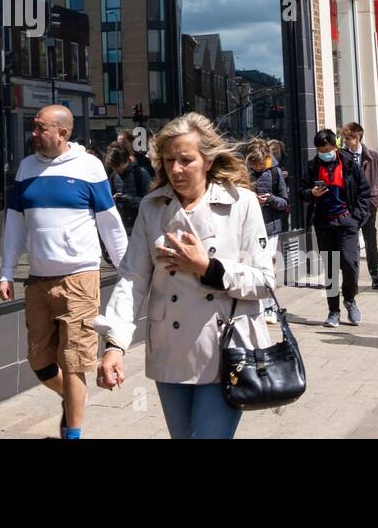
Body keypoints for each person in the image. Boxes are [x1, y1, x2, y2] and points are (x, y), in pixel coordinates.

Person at [95, 113, 273, 439]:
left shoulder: (241, 203)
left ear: (207, 160)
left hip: (225, 351)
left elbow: (264, 281)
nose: (176, 169)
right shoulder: (152, 208)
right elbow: (133, 279)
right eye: (168, 160)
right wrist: (115, 344)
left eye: (186, 160)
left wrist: (208, 268)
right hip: (171, 350)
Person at [0, 105, 127, 440]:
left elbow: (110, 226)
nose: (34, 134)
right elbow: (14, 223)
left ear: (63, 133)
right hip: (38, 280)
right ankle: (72, 397)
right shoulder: (26, 168)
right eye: (34, 127)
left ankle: (73, 433)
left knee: (74, 362)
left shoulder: (89, 167)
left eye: (40, 128)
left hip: (80, 279)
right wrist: (6, 272)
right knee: (39, 362)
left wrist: (128, 271)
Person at [300, 128, 370, 327]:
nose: (324, 153)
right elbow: (301, 192)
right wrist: (311, 193)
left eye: (328, 149)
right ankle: (333, 311)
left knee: (350, 264)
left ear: (335, 146)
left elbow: (364, 192)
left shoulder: (349, 164)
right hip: (324, 222)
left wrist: (356, 217)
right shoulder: (313, 166)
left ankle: (350, 299)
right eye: (320, 150)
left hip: (347, 221)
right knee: (330, 268)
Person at [340, 122, 378, 291]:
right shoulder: (341, 157)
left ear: (357, 138)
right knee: (351, 245)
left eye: (348, 138)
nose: (345, 142)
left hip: (369, 207)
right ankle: (352, 279)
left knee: (370, 242)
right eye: (344, 138)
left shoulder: (374, 157)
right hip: (349, 208)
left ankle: (375, 275)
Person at [245, 141, 287, 323]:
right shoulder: (244, 173)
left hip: (270, 226)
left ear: (266, 159)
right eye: (254, 164)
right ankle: (255, 305)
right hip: (249, 226)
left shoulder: (276, 173)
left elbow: (285, 202)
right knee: (251, 265)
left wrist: (270, 200)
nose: (257, 167)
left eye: (259, 164)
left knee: (268, 265)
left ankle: (270, 305)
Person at [105, 141, 151, 232]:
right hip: (121, 225)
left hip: (139, 225)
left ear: (126, 160)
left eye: (118, 166)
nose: (117, 169)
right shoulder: (114, 176)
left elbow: (150, 201)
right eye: (114, 167)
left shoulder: (140, 173)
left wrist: (129, 199)